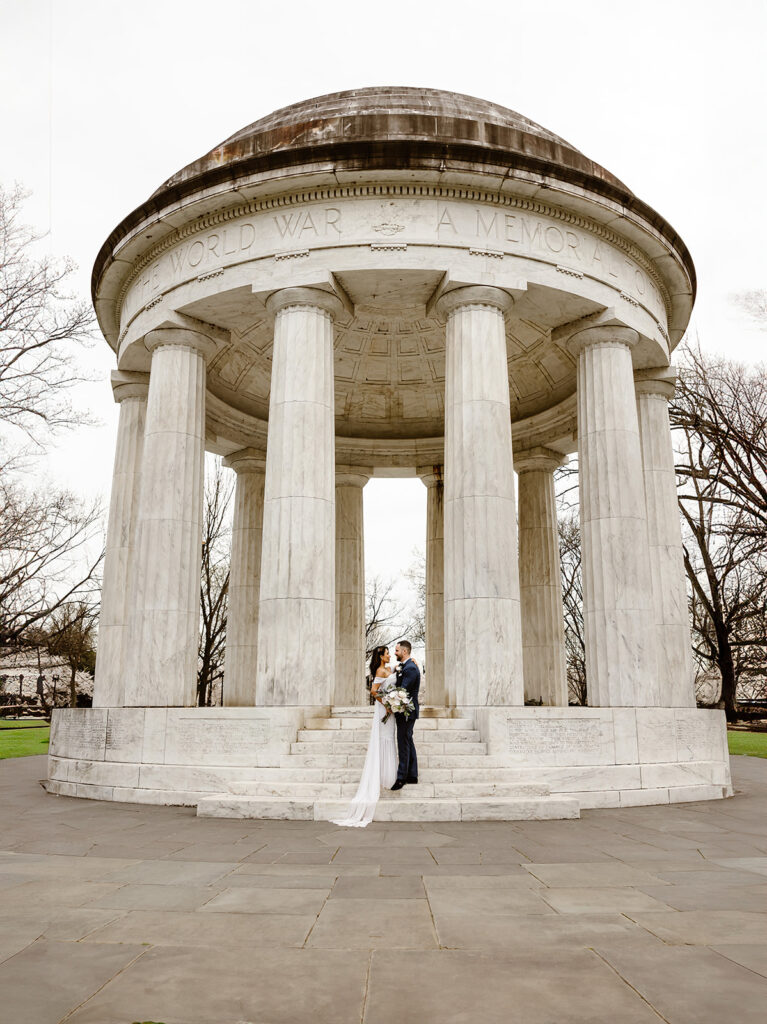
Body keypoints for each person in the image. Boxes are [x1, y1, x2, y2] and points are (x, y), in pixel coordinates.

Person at [330, 645, 398, 827]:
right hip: (384, 710)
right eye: (387, 653)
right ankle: (382, 776)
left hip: (390, 709)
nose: (390, 655)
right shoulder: (379, 670)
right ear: (382, 657)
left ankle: (388, 775)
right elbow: (374, 691)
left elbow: (395, 673)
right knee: (384, 738)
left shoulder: (389, 669)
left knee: (390, 739)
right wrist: (387, 704)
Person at [391, 639, 420, 790]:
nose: (394, 653)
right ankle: (412, 775)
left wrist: (389, 701)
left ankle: (401, 778)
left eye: (396, 650)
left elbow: (402, 691)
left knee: (403, 742)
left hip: (406, 711)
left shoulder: (410, 669)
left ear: (404, 651)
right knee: (407, 740)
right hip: (405, 710)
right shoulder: (406, 666)